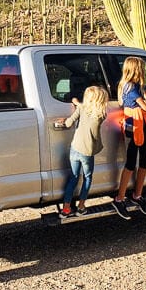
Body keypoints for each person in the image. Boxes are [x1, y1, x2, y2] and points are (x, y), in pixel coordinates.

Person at [111, 56, 146, 219]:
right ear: (137, 70)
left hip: (140, 124)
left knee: (142, 160)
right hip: (135, 124)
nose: (144, 72)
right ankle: (120, 198)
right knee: (132, 161)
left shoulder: (132, 86)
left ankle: (137, 195)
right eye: (142, 69)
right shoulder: (130, 87)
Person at [54, 85, 109, 218]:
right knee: (87, 177)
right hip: (87, 152)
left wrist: (76, 104)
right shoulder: (101, 115)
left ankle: (66, 209)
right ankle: (81, 206)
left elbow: (68, 123)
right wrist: (78, 104)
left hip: (75, 149)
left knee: (73, 177)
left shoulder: (81, 108)